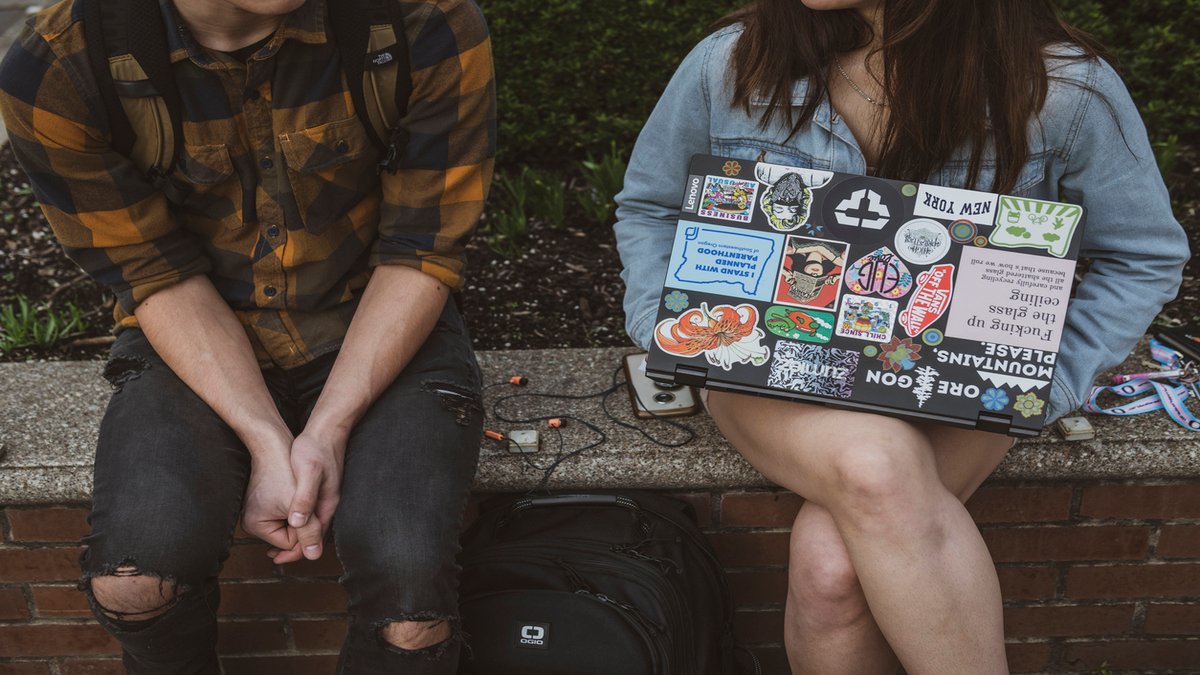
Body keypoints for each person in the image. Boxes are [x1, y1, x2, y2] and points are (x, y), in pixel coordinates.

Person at [613, 1, 1188, 672]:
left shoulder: (1059, 89)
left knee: (834, 571)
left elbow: (1142, 254)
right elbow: (650, 205)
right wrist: (674, 325)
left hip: (956, 381)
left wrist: (1051, 378)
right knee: (874, 465)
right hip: (771, 365)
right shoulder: (737, 61)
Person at [0, 0, 494, 672]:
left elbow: (421, 249)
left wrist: (326, 430)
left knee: (410, 614)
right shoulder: (60, 63)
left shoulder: (421, 20)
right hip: (192, 328)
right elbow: (154, 272)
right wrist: (264, 436)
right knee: (134, 579)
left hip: (376, 315)